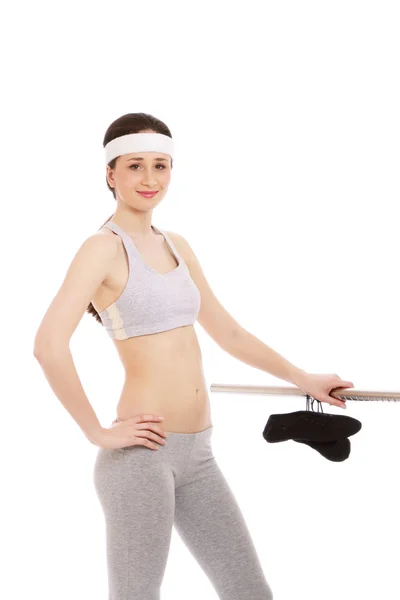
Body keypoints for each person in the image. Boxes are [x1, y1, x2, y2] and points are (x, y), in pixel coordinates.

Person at [33, 112, 354, 599]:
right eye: (135, 165)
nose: (148, 179)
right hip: (142, 458)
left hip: (198, 454)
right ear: (109, 174)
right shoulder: (101, 248)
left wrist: (301, 377)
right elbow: (48, 345)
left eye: (160, 166)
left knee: (249, 591)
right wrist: (95, 430)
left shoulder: (175, 244)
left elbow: (227, 331)